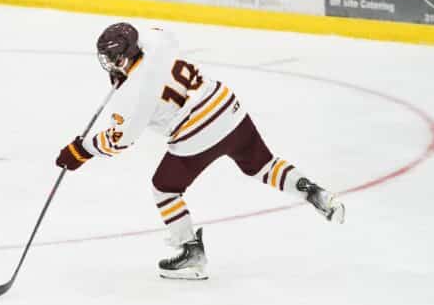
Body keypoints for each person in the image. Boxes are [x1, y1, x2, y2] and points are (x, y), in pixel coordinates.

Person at [56, 22, 345, 280]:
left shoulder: (131, 95)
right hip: (227, 108)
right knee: (263, 165)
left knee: (165, 187)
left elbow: (121, 140)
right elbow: (156, 39)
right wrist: (128, 72)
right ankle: (311, 191)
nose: (107, 64)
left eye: (111, 58)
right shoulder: (158, 43)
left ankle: (191, 253)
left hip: (196, 133)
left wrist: (81, 149)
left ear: (121, 57)